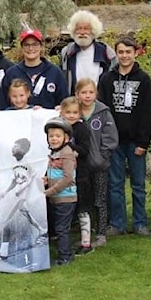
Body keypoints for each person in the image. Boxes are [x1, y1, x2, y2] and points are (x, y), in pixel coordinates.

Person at [98, 36, 151, 236]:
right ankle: (117, 223)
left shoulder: (144, 79)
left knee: (138, 184)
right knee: (115, 184)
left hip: (135, 141)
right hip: (114, 141)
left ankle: (140, 222)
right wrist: (106, 138)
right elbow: (102, 110)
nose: (124, 56)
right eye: (120, 52)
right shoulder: (107, 79)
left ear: (135, 53)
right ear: (116, 54)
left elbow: (147, 112)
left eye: (128, 52)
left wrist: (143, 141)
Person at [76, 77, 118, 247]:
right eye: (83, 92)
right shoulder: (73, 111)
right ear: (77, 94)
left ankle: (101, 234)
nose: (87, 96)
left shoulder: (103, 112)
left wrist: (103, 155)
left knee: (100, 200)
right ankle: (86, 234)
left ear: (96, 94)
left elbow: (110, 136)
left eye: (91, 92)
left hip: (98, 165)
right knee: (83, 201)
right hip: (80, 166)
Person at [0, 29, 68, 109]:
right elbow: (3, 105)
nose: (31, 48)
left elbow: (65, 103)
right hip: (18, 120)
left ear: (41, 46)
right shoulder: (11, 73)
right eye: (26, 45)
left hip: (48, 121)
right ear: (22, 47)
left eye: (35, 44)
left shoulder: (55, 72)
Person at [43, 116, 77, 266]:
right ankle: (64, 252)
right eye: (51, 136)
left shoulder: (67, 153)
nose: (54, 139)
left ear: (66, 137)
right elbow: (54, 174)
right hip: (57, 197)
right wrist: (46, 180)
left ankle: (65, 257)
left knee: (62, 228)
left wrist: (50, 191)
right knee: (59, 227)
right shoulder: (54, 153)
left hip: (65, 197)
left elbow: (68, 178)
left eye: (57, 136)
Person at [60, 97, 92, 253]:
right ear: (61, 112)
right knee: (66, 208)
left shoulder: (82, 128)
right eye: (68, 112)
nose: (71, 115)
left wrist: (71, 147)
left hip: (80, 176)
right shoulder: (59, 128)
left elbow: (85, 149)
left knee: (82, 209)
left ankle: (86, 243)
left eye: (74, 112)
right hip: (64, 176)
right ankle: (63, 238)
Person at [59, 10, 116, 93]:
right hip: (74, 102)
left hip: (99, 102)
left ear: (93, 31)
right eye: (79, 29)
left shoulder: (105, 52)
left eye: (86, 29)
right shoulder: (67, 53)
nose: (82, 32)